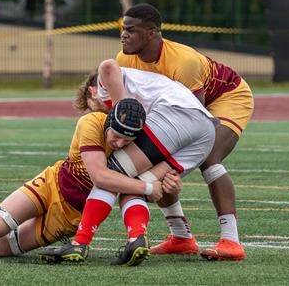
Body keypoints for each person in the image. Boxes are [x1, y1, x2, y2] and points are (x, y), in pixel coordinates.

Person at [0, 98, 165, 265]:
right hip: (52, 184)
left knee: (0, 249)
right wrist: (148, 188)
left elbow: (162, 165)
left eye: (128, 140)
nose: (119, 143)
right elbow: (100, 176)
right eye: (116, 135)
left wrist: (169, 179)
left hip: (70, 215)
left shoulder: (133, 143)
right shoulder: (92, 123)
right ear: (108, 123)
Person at [40, 59, 216, 266]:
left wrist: (120, 108)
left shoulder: (109, 91)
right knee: (134, 185)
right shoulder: (139, 84)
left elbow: (107, 66)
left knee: (112, 175)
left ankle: (80, 242)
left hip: (177, 113)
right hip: (205, 133)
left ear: (93, 91)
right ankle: (137, 239)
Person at [116, 3, 253, 261]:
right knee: (161, 159)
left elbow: (196, 121)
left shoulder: (183, 61)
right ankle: (181, 237)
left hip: (226, 97)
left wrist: (168, 163)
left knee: (209, 158)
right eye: (123, 29)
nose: (124, 35)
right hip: (181, 109)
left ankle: (231, 241)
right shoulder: (123, 59)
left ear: (152, 33)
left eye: (131, 30)